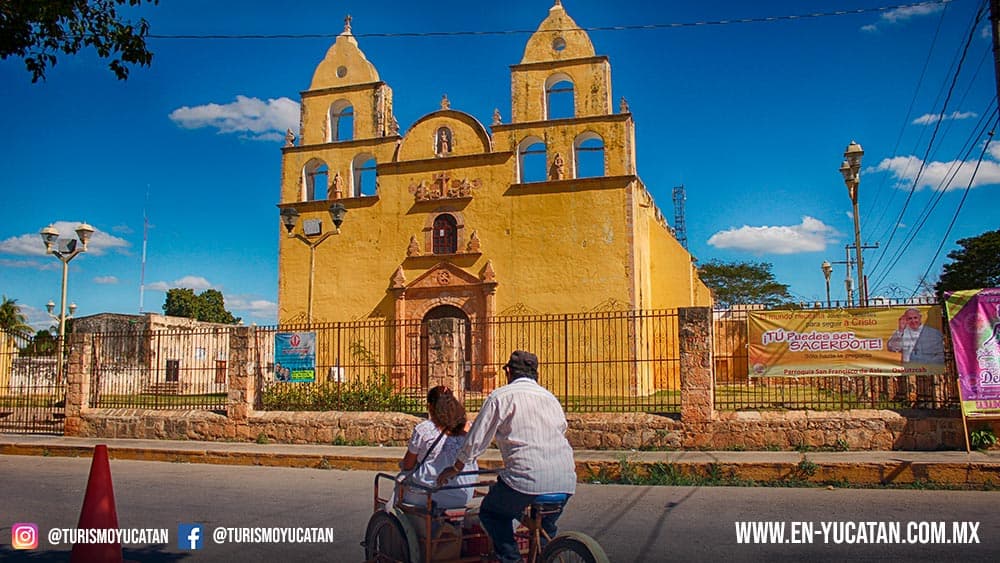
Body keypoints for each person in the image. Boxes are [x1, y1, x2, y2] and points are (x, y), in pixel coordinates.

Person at [437, 350, 576, 563]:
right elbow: (561, 429)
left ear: (508, 371)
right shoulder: (550, 398)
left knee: (492, 514)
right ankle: (546, 555)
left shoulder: (500, 396)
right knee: (546, 526)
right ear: (535, 374)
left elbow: (477, 439)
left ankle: (511, 559)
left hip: (525, 479)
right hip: (565, 479)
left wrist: (456, 467)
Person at [399, 385, 477, 509]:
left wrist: (403, 464)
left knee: (401, 487)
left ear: (430, 406)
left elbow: (408, 465)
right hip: (464, 494)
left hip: (435, 493)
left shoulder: (424, 430)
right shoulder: (469, 428)